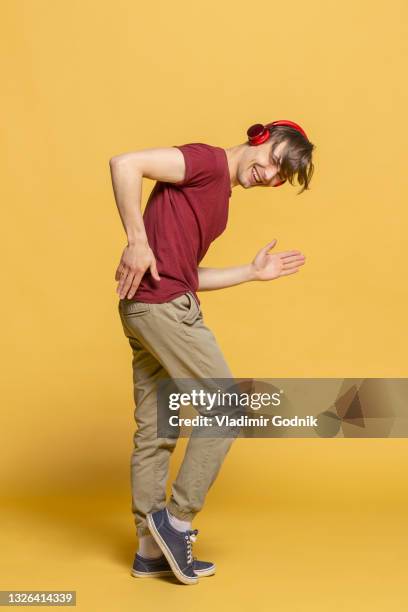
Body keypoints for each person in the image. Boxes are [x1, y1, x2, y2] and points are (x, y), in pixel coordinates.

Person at [109, 121, 315, 585]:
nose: (272, 176)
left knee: (156, 432)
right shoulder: (206, 162)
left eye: (282, 178)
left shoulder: (219, 199)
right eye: (277, 162)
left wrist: (250, 272)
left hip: (147, 307)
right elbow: (126, 164)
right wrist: (137, 241)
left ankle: (148, 551)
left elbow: (185, 273)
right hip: (163, 311)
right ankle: (176, 522)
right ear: (261, 137)